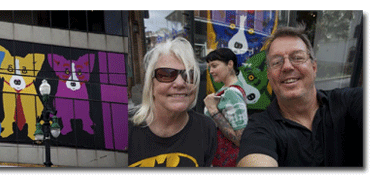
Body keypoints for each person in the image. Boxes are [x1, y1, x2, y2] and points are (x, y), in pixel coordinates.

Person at [236, 26, 363, 167]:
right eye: (277, 62)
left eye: (297, 58)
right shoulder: (259, 128)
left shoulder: (350, 102)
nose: (287, 67)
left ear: (314, 68)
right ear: (268, 76)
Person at [128, 37, 217, 167]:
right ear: (151, 85)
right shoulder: (123, 128)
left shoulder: (206, 128)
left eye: (188, 75)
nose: (181, 83)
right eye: (166, 74)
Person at [203, 48, 248, 167]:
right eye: (209, 67)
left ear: (230, 64)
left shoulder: (231, 93)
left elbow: (240, 138)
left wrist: (212, 110)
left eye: (214, 65)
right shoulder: (227, 90)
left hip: (226, 162)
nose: (211, 71)